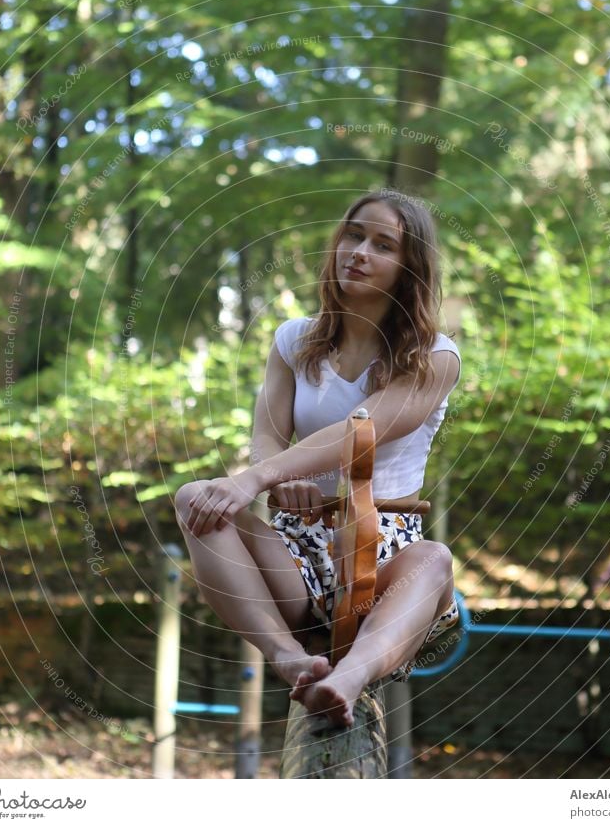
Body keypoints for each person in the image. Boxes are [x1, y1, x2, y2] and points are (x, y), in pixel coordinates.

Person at [175, 189, 461, 728]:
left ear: (410, 268)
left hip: (384, 564)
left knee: (436, 559)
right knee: (196, 498)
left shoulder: (435, 358)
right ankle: (288, 658)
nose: (360, 252)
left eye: (384, 244)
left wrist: (263, 474)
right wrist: (274, 480)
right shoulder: (292, 341)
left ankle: (345, 680)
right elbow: (267, 435)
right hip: (295, 552)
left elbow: (362, 432)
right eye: (353, 235)